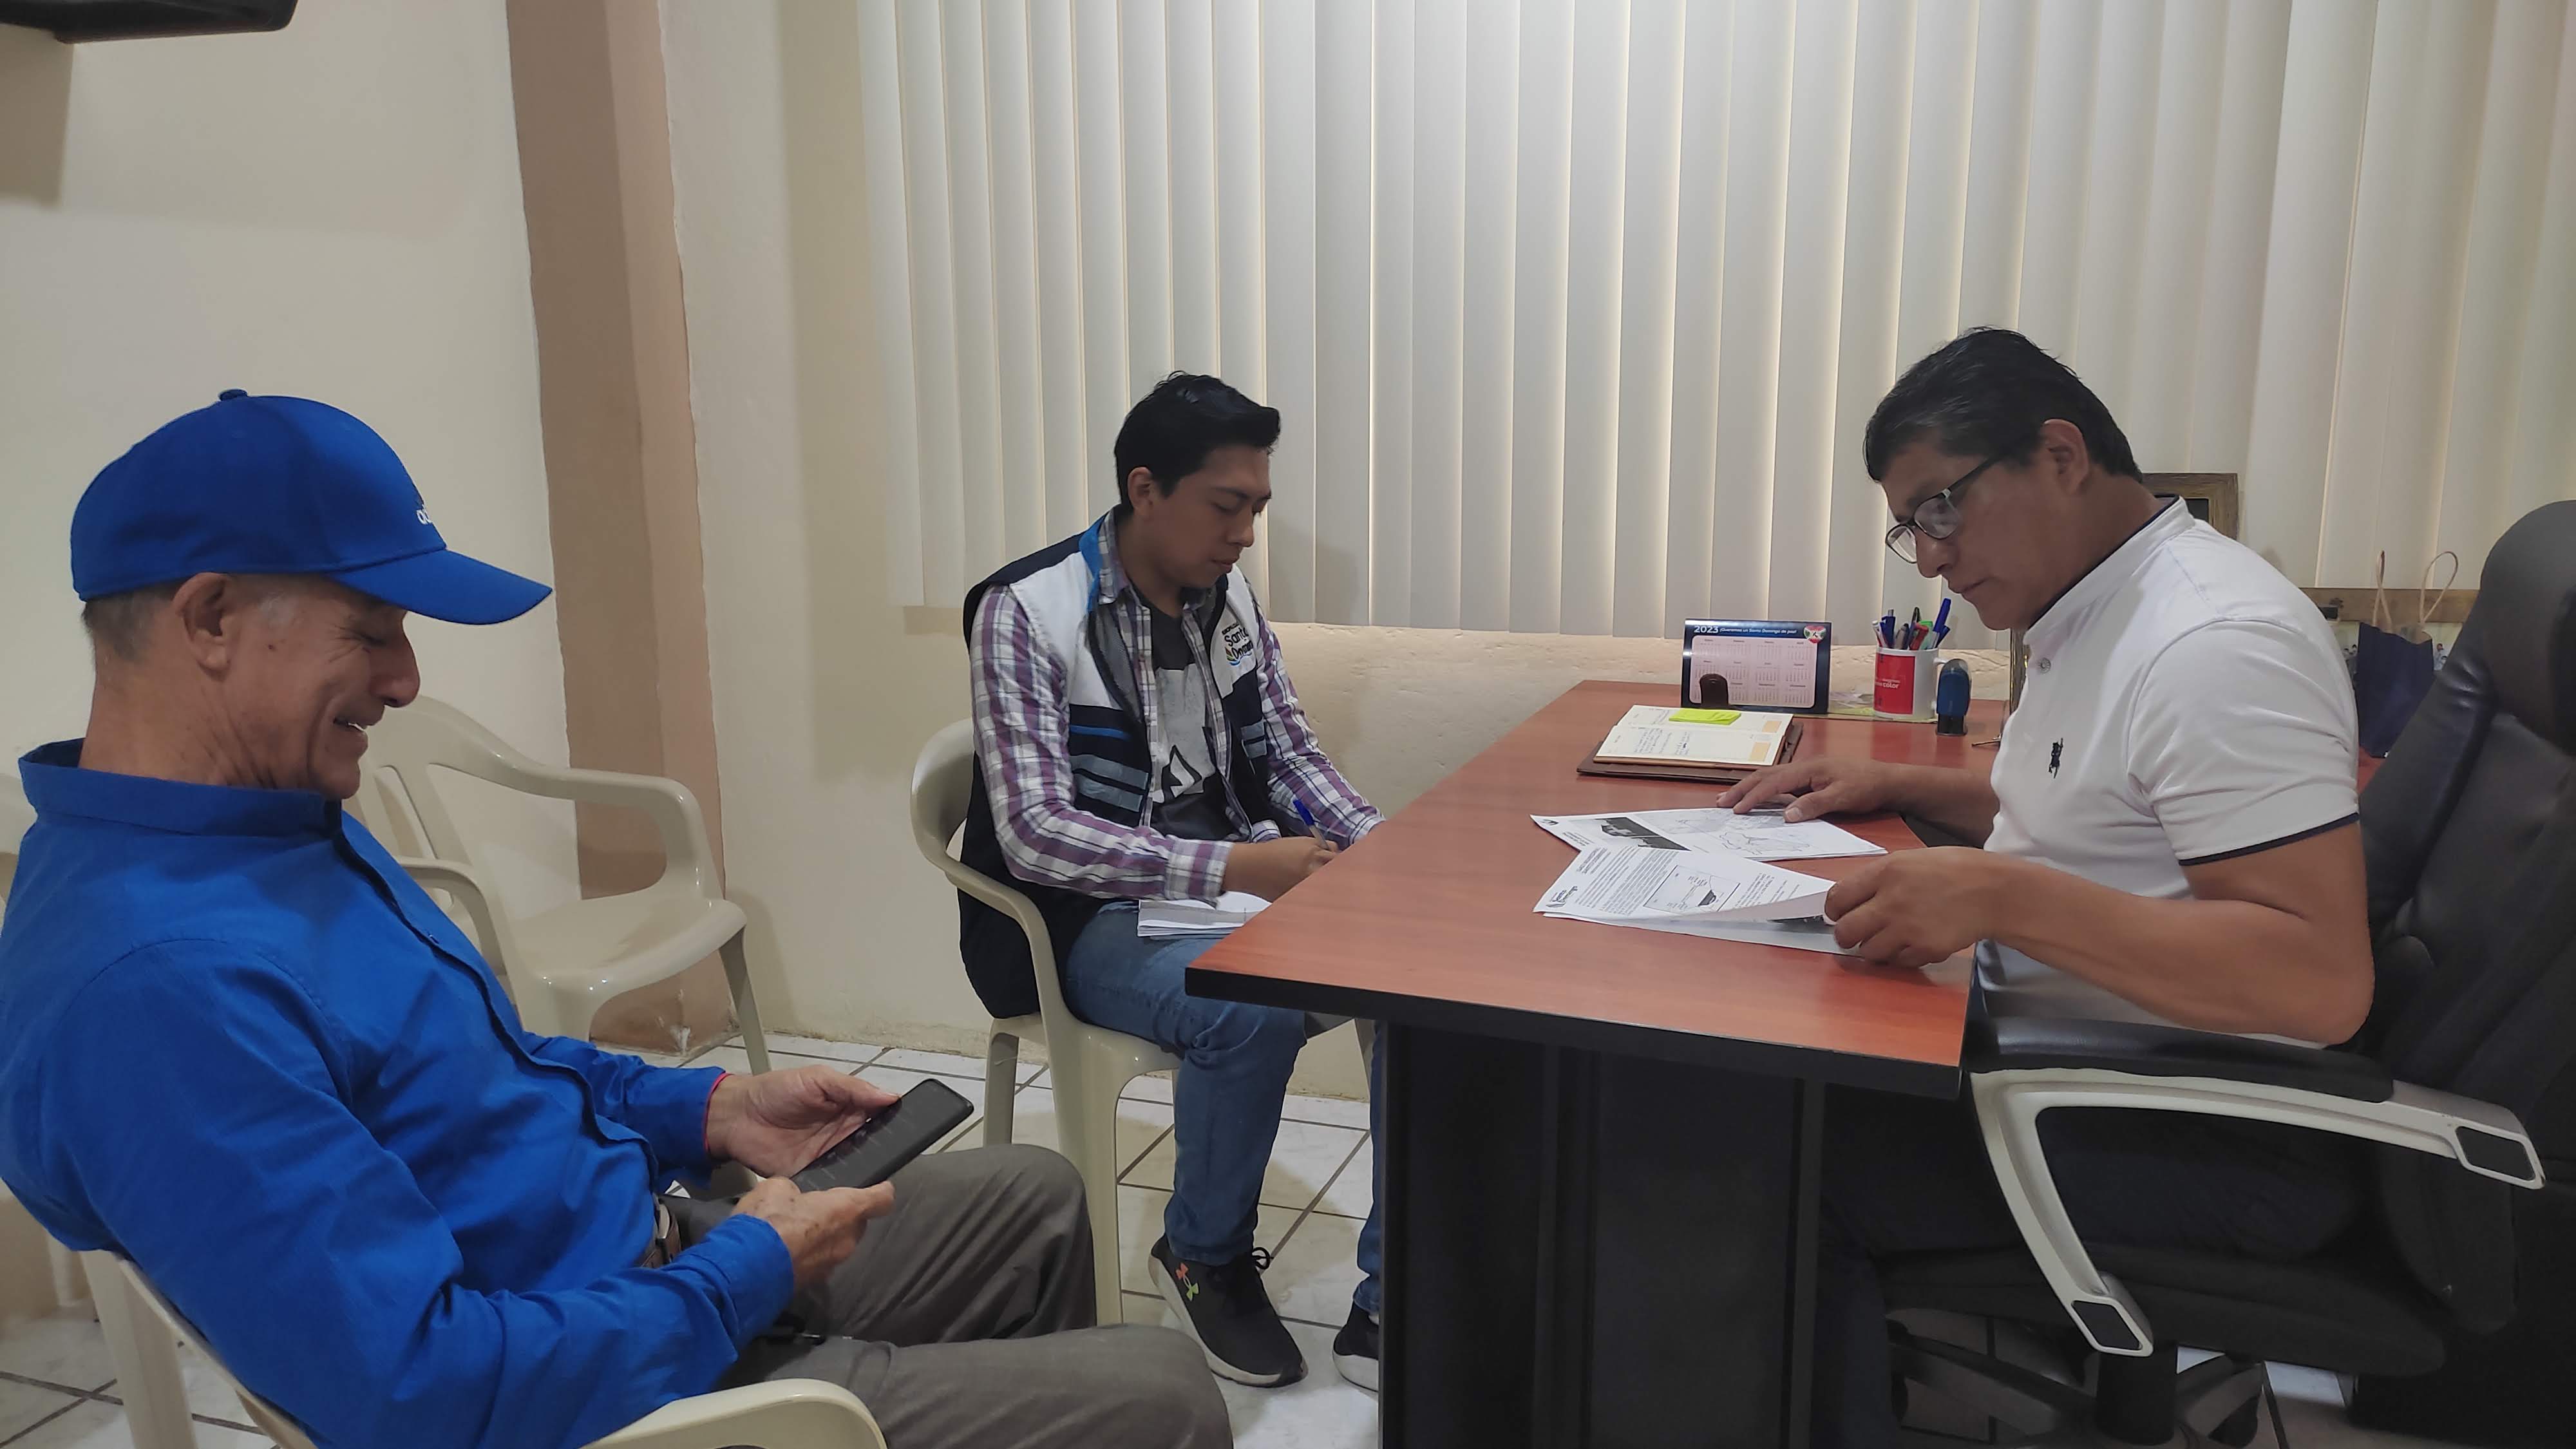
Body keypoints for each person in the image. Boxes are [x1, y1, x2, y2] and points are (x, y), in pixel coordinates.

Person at [0, 392, 1228, 1449]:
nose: (406, 679)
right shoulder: (155, 990)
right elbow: (418, 1390)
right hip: (603, 1388)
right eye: (370, 631)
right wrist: (741, 1273)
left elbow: (481, 1072)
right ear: (210, 619)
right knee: (1165, 1394)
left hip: (644, 1264)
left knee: (1035, 1197)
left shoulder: (261, 827)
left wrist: (702, 1108)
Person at [1717, 331, 2374, 1446]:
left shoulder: (2216, 644)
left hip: (2207, 1136)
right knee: (1759, 1084)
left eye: (1943, 508)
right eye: (1912, 527)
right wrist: (1897, 783)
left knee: (1769, 1160)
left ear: (2061, 455)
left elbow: (2317, 980)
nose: (1931, 560)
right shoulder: (2096, 604)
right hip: (2085, 1066)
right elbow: (2094, 815)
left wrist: (2001, 898)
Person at [961, 373, 1387, 1390]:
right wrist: (1236, 866)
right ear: (1145, 489)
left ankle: (1393, 1287)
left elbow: (1288, 750)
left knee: (1413, 972)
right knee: (1246, 1006)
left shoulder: (1223, 596)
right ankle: (1202, 1253)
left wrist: (1377, 848)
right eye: (1226, 506)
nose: (1244, 535)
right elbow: (1035, 834)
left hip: (1226, 883)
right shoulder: (1026, 611)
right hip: (1088, 916)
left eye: (1258, 509)